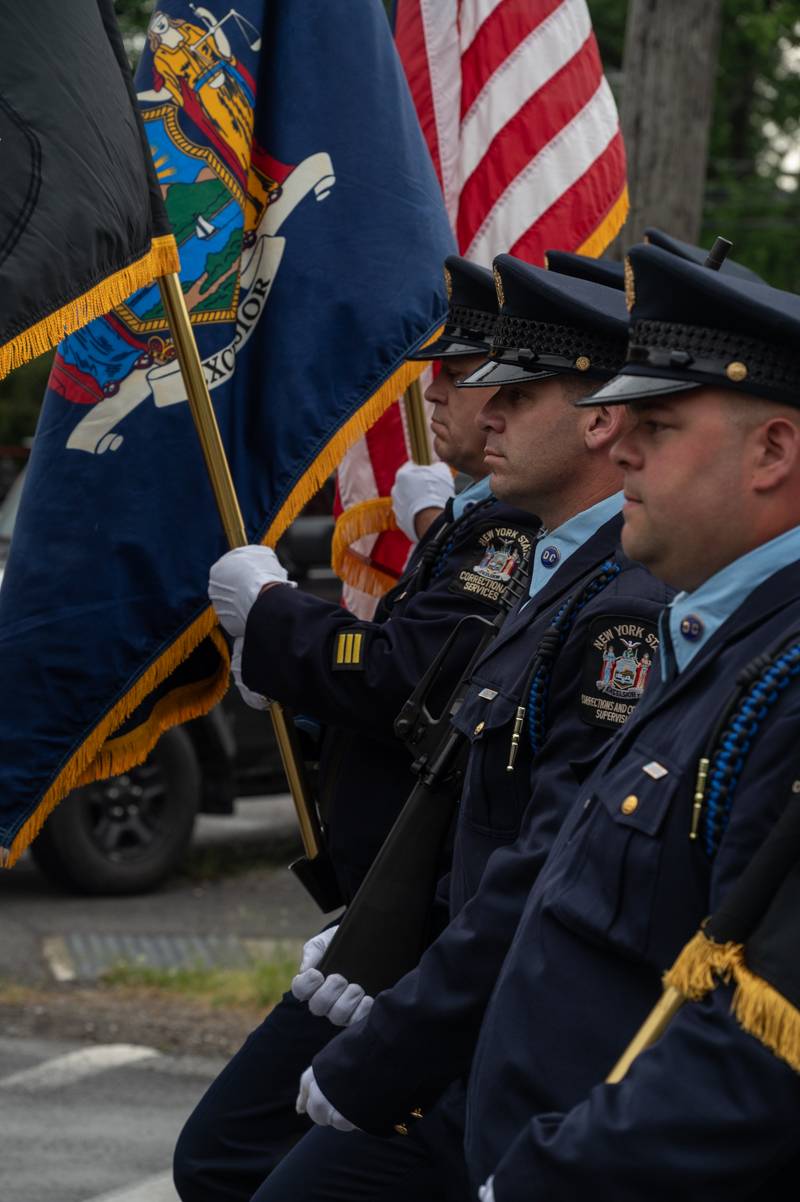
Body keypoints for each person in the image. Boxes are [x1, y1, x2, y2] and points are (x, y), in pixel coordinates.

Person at [304, 242, 800, 1202]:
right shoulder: (718, 631)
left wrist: (550, 1179)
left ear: (772, 452)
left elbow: (755, 1042)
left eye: (655, 423)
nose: (617, 447)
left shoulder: (773, 667)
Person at [245, 253, 671, 1201]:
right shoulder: (562, 569)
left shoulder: (619, 602)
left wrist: (407, 990)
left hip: (508, 1025)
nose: (480, 406)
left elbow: (548, 856)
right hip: (464, 997)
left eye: (515, 392)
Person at [173, 255, 540, 1202]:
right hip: (391, 906)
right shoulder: (479, 522)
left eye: (471, 377)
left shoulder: (515, 534)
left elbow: (405, 678)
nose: (451, 397)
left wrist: (279, 619)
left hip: (424, 930)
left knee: (227, 1159)